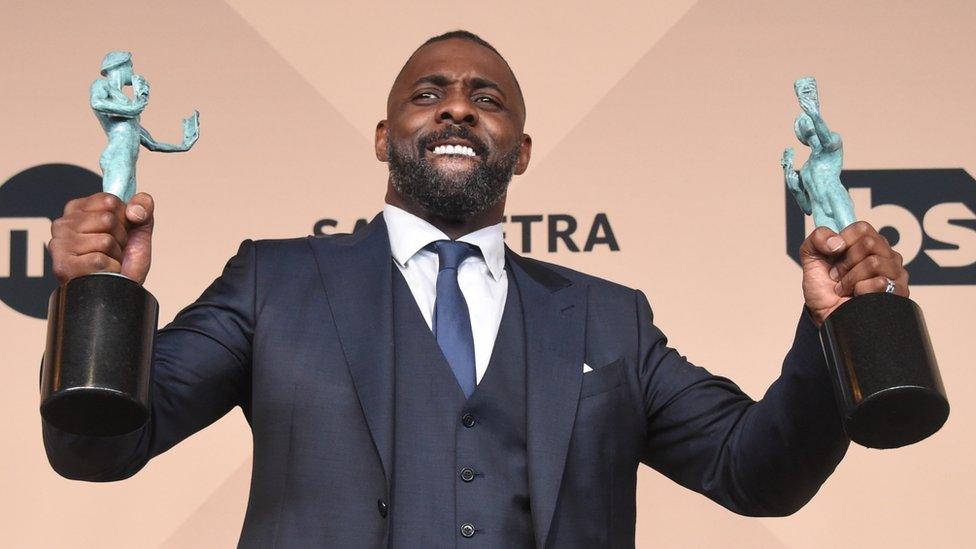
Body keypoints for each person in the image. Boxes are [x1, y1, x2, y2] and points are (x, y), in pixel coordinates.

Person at [45, 31, 910, 548]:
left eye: (486, 98)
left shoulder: (610, 319)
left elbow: (755, 470)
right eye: (429, 94)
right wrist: (96, 302)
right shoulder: (275, 283)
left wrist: (836, 328)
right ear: (386, 135)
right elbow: (100, 448)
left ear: (522, 148)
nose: (457, 109)